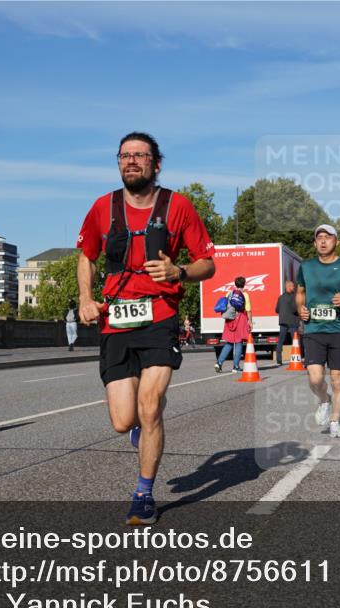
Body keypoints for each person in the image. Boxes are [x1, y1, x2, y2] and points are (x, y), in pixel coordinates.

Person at [76, 131, 215, 526]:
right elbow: (86, 257)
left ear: (157, 163)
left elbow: (208, 262)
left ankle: (143, 495)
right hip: (116, 320)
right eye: (124, 156)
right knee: (123, 422)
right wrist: (86, 299)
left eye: (140, 155)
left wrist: (180, 271)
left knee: (149, 405)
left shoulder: (178, 206)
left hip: (160, 316)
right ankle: (141, 425)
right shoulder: (103, 208)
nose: (131, 161)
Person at [297, 224, 340, 438]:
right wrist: (300, 309)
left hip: (338, 328)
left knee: (337, 380)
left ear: (336, 242)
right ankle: (324, 400)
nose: (323, 241)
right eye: (319, 238)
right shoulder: (305, 266)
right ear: (315, 243)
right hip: (314, 328)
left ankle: (335, 420)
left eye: (328, 237)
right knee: (315, 379)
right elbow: (300, 291)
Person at [216, 277, 251, 373]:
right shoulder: (245, 295)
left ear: (235, 284)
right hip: (240, 319)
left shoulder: (229, 293)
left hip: (230, 319)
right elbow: (248, 310)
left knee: (229, 343)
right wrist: (250, 322)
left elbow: (225, 306)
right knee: (239, 343)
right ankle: (235, 366)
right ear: (244, 284)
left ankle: (219, 363)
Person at [275, 280, 300, 365]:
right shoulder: (294, 297)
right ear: (288, 287)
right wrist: (299, 312)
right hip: (292, 321)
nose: (294, 287)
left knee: (281, 340)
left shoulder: (280, 297)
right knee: (295, 340)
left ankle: (279, 359)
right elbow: (294, 309)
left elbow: (277, 310)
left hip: (282, 321)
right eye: (293, 286)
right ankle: (297, 358)